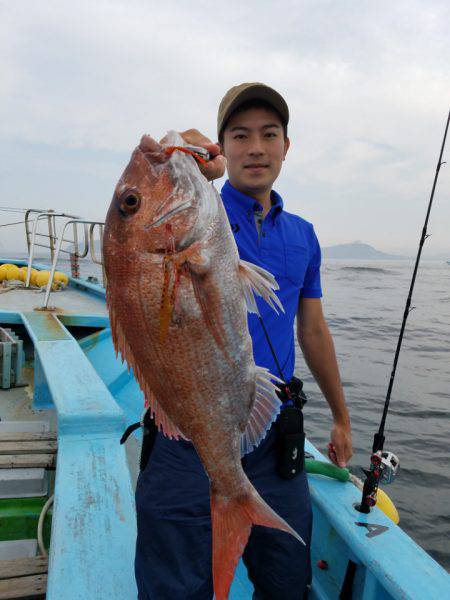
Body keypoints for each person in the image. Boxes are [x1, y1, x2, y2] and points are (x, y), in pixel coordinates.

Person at [135, 82, 353, 599]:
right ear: (221, 148)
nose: (255, 147)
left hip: (272, 434)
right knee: (174, 586)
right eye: (240, 135)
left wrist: (342, 417)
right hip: (184, 436)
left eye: (269, 134)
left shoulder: (303, 235)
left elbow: (314, 330)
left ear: (286, 146)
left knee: (285, 582)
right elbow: (150, 213)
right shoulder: (195, 213)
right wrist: (184, 160)